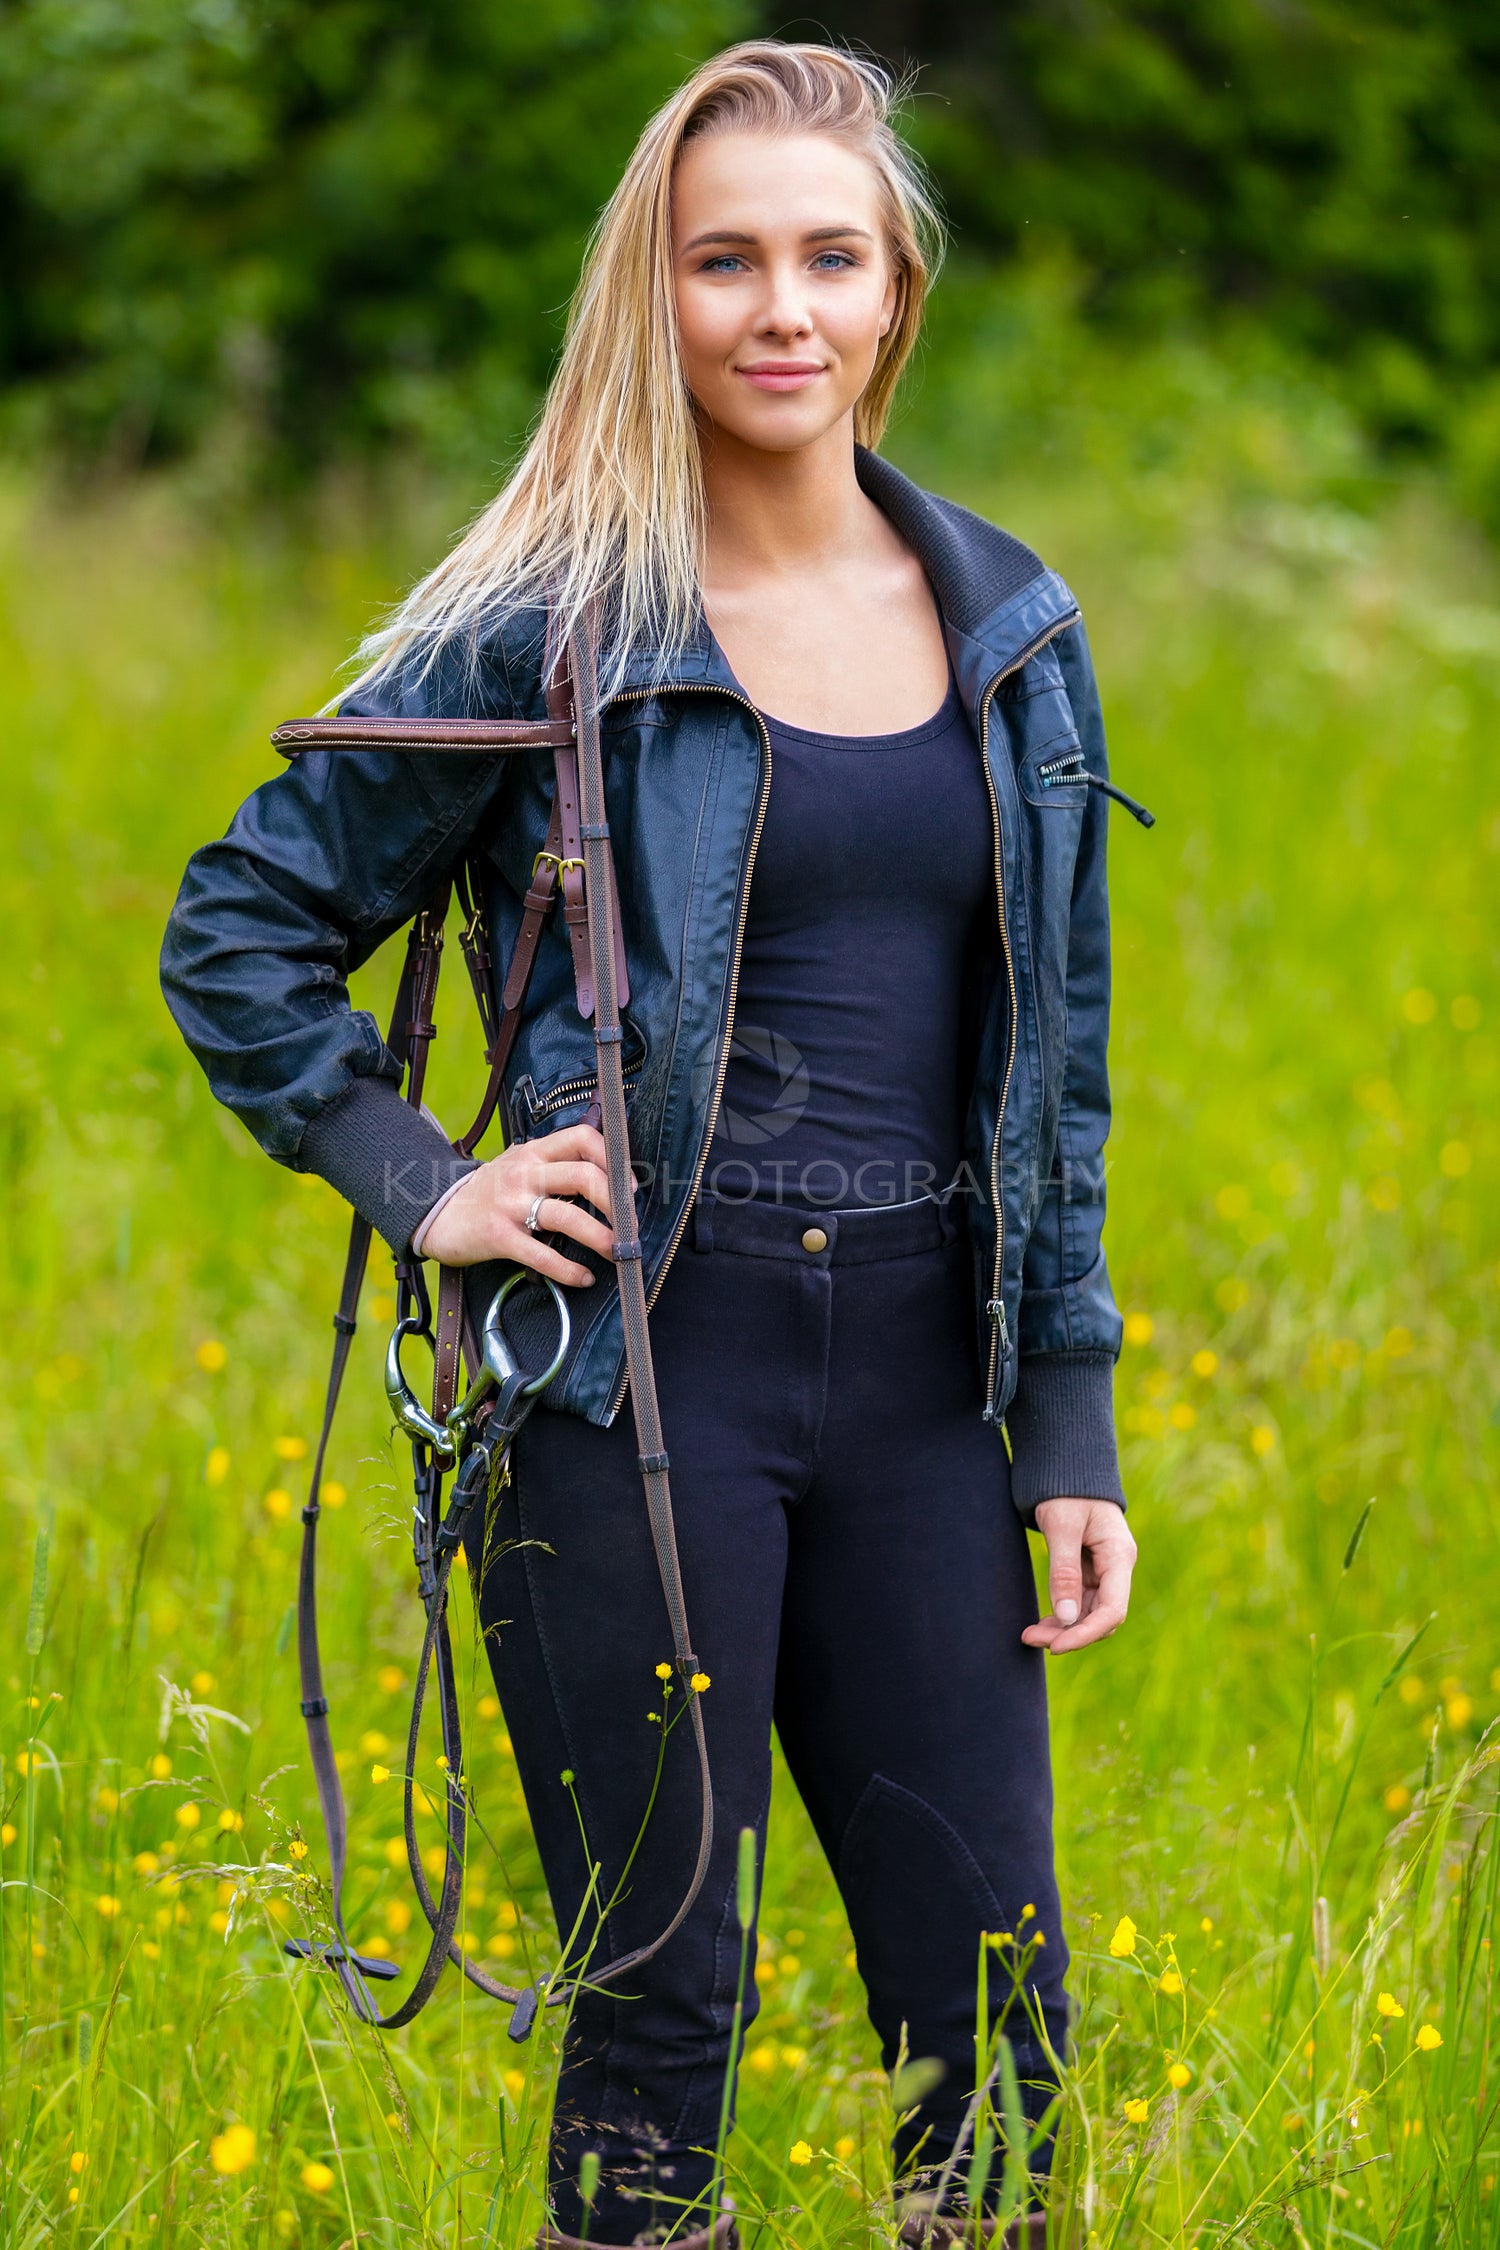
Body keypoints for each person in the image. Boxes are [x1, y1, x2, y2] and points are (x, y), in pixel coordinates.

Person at [161, 40, 1138, 2250]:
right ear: (654, 296)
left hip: (921, 1387)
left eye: (828, 255)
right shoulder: (551, 615)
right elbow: (244, 922)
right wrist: (432, 1185)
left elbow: (1056, 1053)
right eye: (725, 260)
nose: (779, 306)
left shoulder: (1013, 631)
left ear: (895, 295)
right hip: (624, 1389)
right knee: (660, 2010)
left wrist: (1063, 1421)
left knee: (994, 2016)